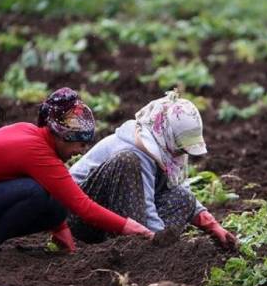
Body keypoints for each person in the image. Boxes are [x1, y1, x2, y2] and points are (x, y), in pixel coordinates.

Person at [0, 87, 153, 256]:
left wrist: (60, 227)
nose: (80, 151)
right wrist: (134, 228)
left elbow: (62, 198)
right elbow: (83, 207)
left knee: (51, 198)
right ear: (60, 136)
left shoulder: (34, 136)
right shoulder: (36, 151)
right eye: (78, 144)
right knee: (35, 193)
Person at [69, 90, 237, 248]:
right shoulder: (137, 151)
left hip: (115, 217)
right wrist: (159, 245)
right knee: (127, 161)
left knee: (183, 199)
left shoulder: (168, 146)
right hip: (79, 217)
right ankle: (131, 248)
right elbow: (146, 205)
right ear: (168, 134)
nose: (182, 153)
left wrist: (213, 226)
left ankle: (130, 244)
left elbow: (180, 188)